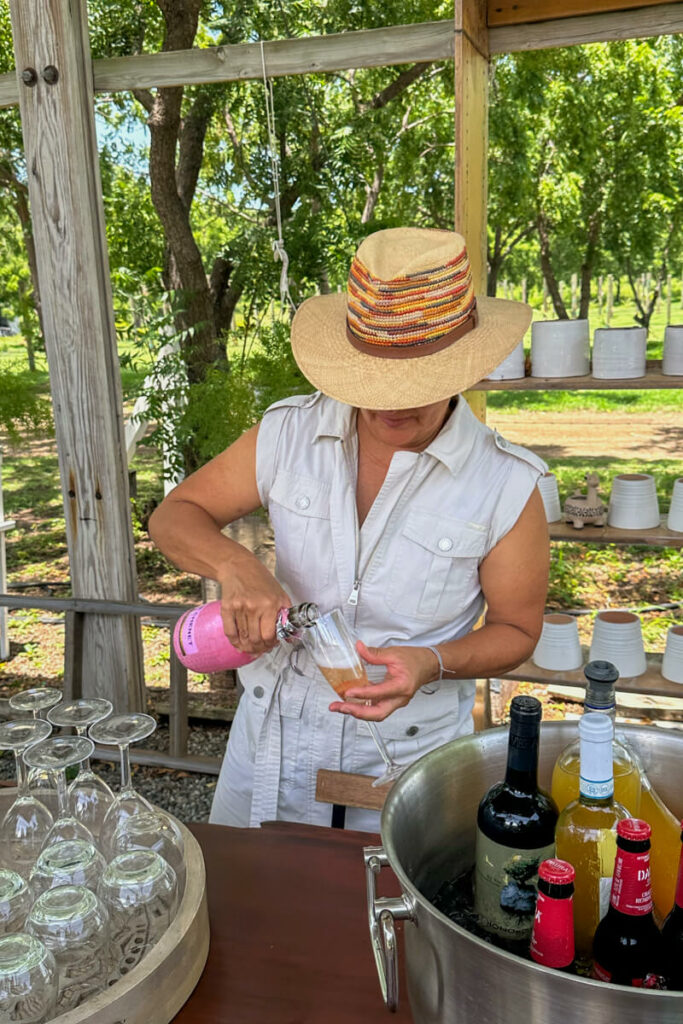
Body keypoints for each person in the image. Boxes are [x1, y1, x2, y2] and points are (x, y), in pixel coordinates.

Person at [149, 227, 549, 831]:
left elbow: (518, 629)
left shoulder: (506, 483)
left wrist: (431, 662)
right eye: (374, 381)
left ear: (464, 366)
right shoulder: (289, 433)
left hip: (402, 757)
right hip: (269, 741)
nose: (394, 403)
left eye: (421, 381)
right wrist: (236, 564)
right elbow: (174, 515)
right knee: (243, 906)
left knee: (379, 917)